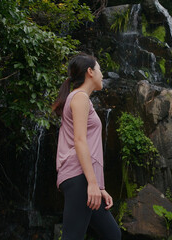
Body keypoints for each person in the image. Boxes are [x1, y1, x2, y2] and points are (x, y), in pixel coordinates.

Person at [52, 53, 121, 240]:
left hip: (84, 178)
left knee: (112, 234)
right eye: (100, 70)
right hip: (79, 177)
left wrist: (99, 186)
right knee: (72, 237)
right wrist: (92, 183)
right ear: (90, 72)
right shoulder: (80, 97)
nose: (102, 75)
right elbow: (80, 141)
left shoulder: (79, 98)